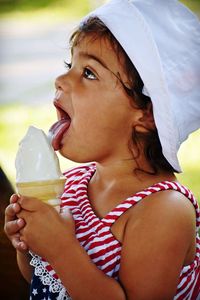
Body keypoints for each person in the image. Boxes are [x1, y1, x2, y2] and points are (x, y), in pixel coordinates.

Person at [4, 0, 200, 299]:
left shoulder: (164, 210)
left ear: (147, 114)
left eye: (89, 73)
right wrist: (30, 245)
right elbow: (45, 283)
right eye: (70, 66)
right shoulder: (72, 184)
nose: (60, 80)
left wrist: (59, 247)